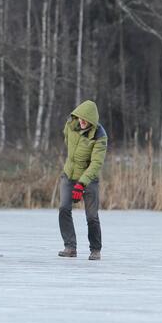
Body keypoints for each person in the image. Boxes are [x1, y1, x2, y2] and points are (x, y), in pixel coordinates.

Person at [58, 100, 107, 261]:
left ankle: (95, 249)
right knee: (64, 209)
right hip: (69, 175)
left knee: (91, 216)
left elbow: (96, 163)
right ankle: (70, 247)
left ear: (92, 121)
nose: (82, 121)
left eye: (85, 119)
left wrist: (82, 183)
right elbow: (67, 141)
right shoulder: (71, 126)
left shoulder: (99, 136)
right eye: (80, 118)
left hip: (89, 179)